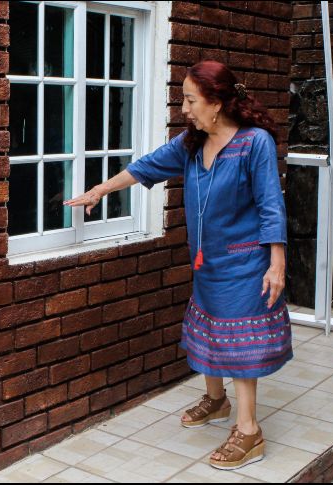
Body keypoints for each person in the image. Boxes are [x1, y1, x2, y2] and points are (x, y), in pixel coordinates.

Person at [64, 60, 291, 471]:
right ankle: (217, 400)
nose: (183, 109)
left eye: (189, 99)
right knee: (208, 327)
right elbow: (144, 167)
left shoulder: (254, 143)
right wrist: (99, 190)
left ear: (216, 102)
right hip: (206, 262)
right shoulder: (191, 143)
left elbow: (271, 204)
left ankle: (249, 430)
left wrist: (277, 262)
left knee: (238, 342)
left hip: (245, 262)